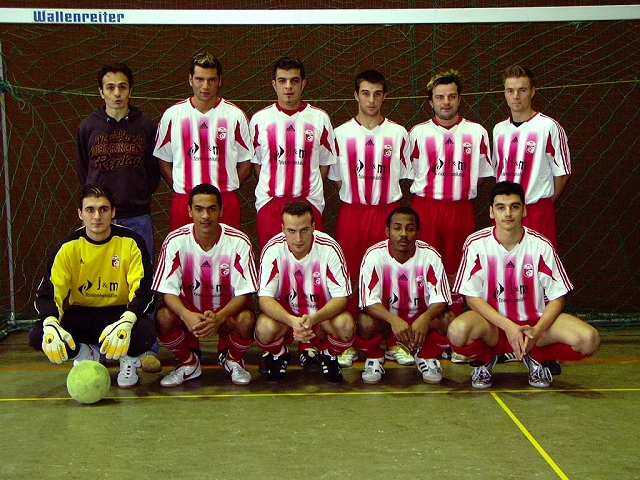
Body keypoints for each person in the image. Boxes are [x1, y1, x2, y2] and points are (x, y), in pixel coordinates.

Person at [448, 181, 600, 389]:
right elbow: (471, 298)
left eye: (514, 206)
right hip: (493, 327)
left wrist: (537, 330)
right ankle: (484, 360)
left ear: (524, 210)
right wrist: (508, 326)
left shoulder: (541, 245)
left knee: (589, 339)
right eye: (501, 207)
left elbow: (558, 298)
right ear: (491, 212)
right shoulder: (476, 244)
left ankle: (537, 357)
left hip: (534, 326)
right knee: (457, 331)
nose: (508, 213)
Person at [76, 62, 161, 373]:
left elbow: (153, 172)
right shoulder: (88, 127)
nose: (116, 93)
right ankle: (99, 344)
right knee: (97, 284)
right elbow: (83, 170)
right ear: (101, 92)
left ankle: (145, 347)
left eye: (122, 87)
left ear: (130, 90)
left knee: (142, 282)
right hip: (100, 221)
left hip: (137, 215)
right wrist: (99, 209)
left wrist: (135, 195)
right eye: (110, 87)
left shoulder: (146, 126)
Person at [30, 185, 156, 388]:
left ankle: (127, 359)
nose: (97, 216)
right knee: (39, 334)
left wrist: (127, 320)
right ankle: (85, 354)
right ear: (80, 214)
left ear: (113, 212)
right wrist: (51, 323)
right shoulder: (67, 247)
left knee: (145, 330)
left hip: (119, 314)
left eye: (103, 209)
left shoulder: (131, 242)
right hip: (82, 315)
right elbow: (48, 293)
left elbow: (145, 290)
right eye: (90, 210)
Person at [328, 69, 413, 368]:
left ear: (385, 96)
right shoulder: (340, 134)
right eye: (365, 93)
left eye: (377, 94)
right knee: (350, 279)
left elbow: (404, 176)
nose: (371, 100)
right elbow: (337, 179)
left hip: (387, 213)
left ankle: (392, 342)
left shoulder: (398, 134)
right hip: (353, 213)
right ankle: (349, 342)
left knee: (389, 277)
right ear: (356, 95)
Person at [151, 183, 258, 387]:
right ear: (189, 211)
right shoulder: (175, 241)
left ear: (221, 211)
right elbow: (167, 291)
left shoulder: (239, 242)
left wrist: (220, 317)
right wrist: (186, 315)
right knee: (163, 317)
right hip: (190, 314)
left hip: (224, 314)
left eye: (211, 209)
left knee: (246, 319)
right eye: (199, 209)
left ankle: (233, 360)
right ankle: (188, 363)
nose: (205, 216)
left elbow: (245, 294)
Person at [409, 69, 493, 320]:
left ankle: (452, 321)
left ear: (459, 99)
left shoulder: (476, 132)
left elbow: (480, 174)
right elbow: (411, 173)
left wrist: (458, 188)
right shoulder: (417, 133)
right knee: (423, 264)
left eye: (451, 96)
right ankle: (423, 320)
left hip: (460, 209)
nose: (446, 102)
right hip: (426, 208)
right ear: (431, 101)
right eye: (440, 97)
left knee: (457, 265)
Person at [255, 201, 355, 384]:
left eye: (304, 230)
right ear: (283, 229)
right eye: (291, 231)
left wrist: (313, 319)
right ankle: (279, 354)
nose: (298, 238)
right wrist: (292, 321)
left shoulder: (329, 248)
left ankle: (329, 355)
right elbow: (264, 299)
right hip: (286, 319)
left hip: (320, 317)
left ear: (313, 227)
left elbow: (341, 298)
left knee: (346, 325)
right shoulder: (273, 249)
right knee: (263, 328)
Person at [155, 53, 253, 231]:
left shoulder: (235, 116)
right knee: (184, 249)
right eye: (200, 79)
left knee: (227, 249)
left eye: (211, 80)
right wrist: (180, 186)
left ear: (220, 81)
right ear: (190, 80)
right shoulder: (172, 115)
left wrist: (229, 185)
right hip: (184, 200)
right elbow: (163, 159)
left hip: (225, 200)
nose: (205, 86)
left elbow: (246, 161)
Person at [357, 206, 453, 384]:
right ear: (388, 231)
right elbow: (368, 302)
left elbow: (441, 300)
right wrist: (393, 319)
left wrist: (425, 319)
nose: (403, 234)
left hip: (419, 320)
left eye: (410, 229)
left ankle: (426, 356)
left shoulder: (430, 255)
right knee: (365, 321)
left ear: (418, 232)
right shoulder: (374, 255)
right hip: (387, 321)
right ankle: (375, 358)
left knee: (448, 320)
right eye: (397, 228)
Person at [250, 56, 337, 249]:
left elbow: (324, 164)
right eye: (282, 81)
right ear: (274, 84)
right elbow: (258, 163)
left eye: (294, 81)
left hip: (308, 203)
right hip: (270, 203)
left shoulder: (319, 119)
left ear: (303, 84)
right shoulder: (260, 120)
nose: (288, 87)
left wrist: (308, 193)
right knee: (272, 260)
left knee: (309, 261)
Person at [492, 65, 571, 250]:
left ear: (532, 92)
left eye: (522, 90)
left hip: (537, 211)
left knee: (539, 263)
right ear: (505, 93)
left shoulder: (548, 127)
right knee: (505, 262)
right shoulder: (499, 130)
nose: (516, 96)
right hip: (505, 213)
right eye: (510, 91)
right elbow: (499, 170)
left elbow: (563, 173)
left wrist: (542, 201)